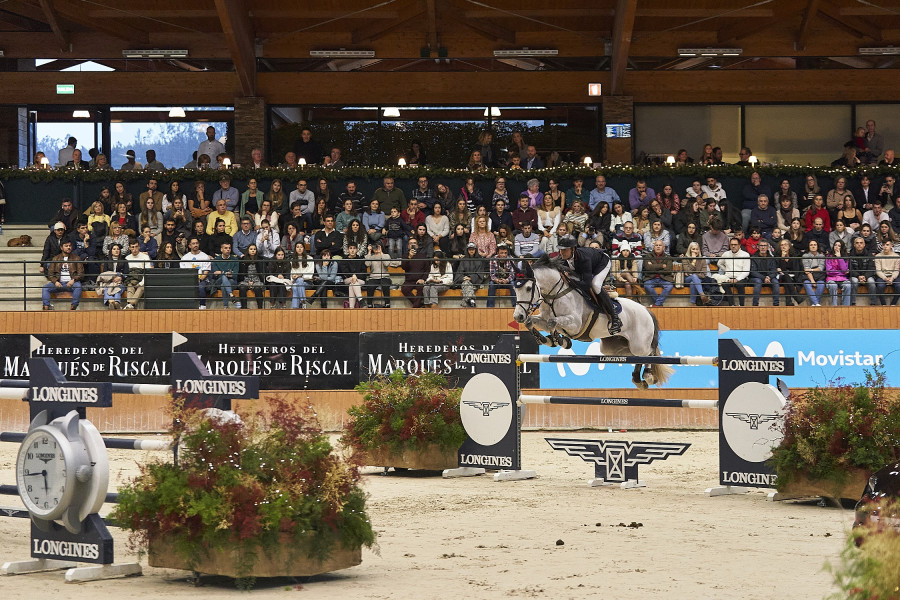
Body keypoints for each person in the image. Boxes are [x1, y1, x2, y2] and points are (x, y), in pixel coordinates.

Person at [42, 239, 83, 311]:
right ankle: (46, 307)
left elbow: (81, 273)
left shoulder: (76, 258)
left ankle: (73, 307)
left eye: (70, 246)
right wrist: (55, 282)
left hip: (71, 283)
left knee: (78, 286)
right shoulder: (56, 258)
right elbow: (50, 273)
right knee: (45, 288)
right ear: (61, 247)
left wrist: (73, 280)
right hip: (59, 283)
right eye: (66, 246)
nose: (68, 247)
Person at [713, 238, 750, 306]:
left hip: (741, 277)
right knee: (724, 284)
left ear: (739, 245)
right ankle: (731, 305)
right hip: (729, 277)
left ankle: (742, 305)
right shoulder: (726, 254)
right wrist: (726, 270)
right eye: (731, 244)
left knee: (740, 285)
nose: (733, 246)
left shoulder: (745, 255)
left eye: (735, 245)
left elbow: (746, 271)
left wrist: (737, 279)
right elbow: (719, 263)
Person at [180, 236, 212, 309]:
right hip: (188, 280)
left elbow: (206, 272)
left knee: (201, 286)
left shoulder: (205, 256)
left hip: (202, 279)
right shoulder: (184, 258)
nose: (195, 245)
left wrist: (199, 279)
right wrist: (191, 280)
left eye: (197, 243)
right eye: (193, 243)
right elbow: (183, 272)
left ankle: (202, 305)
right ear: (189, 246)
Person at [364, 242, 399, 308]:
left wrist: (381, 253)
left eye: (377, 246)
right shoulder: (370, 256)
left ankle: (387, 303)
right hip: (373, 277)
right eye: (375, 247)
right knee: (370, 286)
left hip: (384, 276)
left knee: (385, 285)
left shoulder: (386, 255)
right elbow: (367, 264)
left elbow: (386, 264)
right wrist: (369, 252)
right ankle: (369, 304)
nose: (376, 248)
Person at [641, 240, 675, 307]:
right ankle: (659, 304)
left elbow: (668, 270)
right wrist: (662, 266)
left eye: (660, 245)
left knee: (669, 286)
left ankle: (657, 304)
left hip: (664, 278)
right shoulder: (648, 256)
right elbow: (647, 268)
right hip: (651, 278)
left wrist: (653, 267)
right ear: (654, 247)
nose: (658, 247)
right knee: (647, 285)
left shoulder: (668, 257)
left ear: (663, 247)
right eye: (656, 245)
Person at [748, 239, 780, 306]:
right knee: (758, 281)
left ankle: (776, 305)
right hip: (756, 278)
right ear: (758, 247)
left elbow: (774, 271)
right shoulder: (753, 257)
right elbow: (753, 272)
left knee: (776, 282)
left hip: (769, 277)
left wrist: (769, 277)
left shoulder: (771, 258)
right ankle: (755, 305)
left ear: (768, 247)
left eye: (765, 246)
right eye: (761, 246)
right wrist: (764, 278)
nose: (763, 247)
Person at [486, 243, 517, 309]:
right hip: (497, 280)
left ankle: (515, 305)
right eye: (502, 253)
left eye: (505, 253)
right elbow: (492, 274)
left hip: (507, 281)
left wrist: (507, 280)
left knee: (513, 284)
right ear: (498, 253)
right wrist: (497, 280)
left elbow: (512, 274)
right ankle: (490, 306)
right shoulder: (493, 259)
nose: (504, 255)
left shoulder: (511, 259)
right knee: (491, 284)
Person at [848, 236, 877, 306]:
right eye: (857, 243)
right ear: (854, 245)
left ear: (864, 244)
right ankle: (853, 303)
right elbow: (850, 269)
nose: (859, 244)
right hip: (855, 276)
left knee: (872, 282)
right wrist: (858, 276)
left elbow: (872, 268)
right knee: (854, 281)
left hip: (866, 276)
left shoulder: (869, 254)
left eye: (861, 243)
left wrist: (865, 276)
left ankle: (873, 303)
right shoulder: (849, 255)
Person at [454, 242, 485, 307]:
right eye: (470, 249)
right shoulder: (463, 260)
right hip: (464, 281)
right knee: (466, 283)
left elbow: (480, 274)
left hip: (474, 282)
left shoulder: (479, 260)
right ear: (467, 250)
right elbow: (459, 273)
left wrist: (470, 278)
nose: (471, 251)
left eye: (473, 249)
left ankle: (466, 301)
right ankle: (471, 300)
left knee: (466, 284)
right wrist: (463, 278)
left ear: (475, 250)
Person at [210, 241, 239, 309]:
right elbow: (215, 274)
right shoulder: (216, 260)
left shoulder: (235, 260)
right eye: (225, 248)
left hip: (232, 281)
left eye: (229, 248)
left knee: (224, 285)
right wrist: (226, 273)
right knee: (223, 277)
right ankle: (231, 295)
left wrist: (222, 272)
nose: (228, 249)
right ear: (221, 249)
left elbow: (235, 275)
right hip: (218, 282)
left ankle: (225, 306)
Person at [400, 239, 428, 308]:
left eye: (415, 243)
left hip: (420, 280)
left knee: (421, 288)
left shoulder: (423, 256)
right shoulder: (405, 256)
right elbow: (404, 267)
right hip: (409, 281)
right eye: (411, 243)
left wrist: (423, 279)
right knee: (404, 289)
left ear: (417, 246)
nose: (413, 245)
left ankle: (415, 307)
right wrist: (409, 257)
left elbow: (427, 269)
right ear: (408, 246)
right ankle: (419, 305)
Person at [238, 243, 266, 309]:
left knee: (257, 288)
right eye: (251, 249)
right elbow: (241, 274)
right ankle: (244, 307)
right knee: (242, 288)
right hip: (246, 280)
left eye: (254, 249)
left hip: (257, 280)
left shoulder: (260, 260)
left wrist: (253, 282)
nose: (253, 251)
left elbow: (261, 274)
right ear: (248, 250)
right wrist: (248, 282)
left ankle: (260, 308)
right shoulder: (243, 260)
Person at [801, 239, 826, 306]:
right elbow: (806, 270)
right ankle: (816, 303)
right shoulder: (805, 256)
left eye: (815, 245)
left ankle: (814, 303)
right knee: (806, 283)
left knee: (821, 284)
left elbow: (821, 268)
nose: (813, 246)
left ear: (817, 246)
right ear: (808, 247)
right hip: (808, 276)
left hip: (819, 275)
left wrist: (811, 270)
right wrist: (812, 280)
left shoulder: (821, 256)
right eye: (811, 245)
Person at [874, 241, 900, 306]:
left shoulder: (896, 256)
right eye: (883, 245)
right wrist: (885, 278)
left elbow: (896, 270)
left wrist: (892, 278)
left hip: (893, 276)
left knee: (899, 286)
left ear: (891, 246)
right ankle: (883, 304)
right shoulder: (878, 256)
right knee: (880, 286)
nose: (885, 246)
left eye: (887, 245)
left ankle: (893, 304)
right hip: (882, 276)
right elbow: (878, 270)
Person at [290, 243, 314, 308]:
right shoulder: (293, 260)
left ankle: (300, 303)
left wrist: (299, 275)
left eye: (301, 247)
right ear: (295, 249)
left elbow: (310, 274)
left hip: (307, 282)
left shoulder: (310, 259)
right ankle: (302, 303)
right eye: (297, 247)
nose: (299, 248)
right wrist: (294, 276)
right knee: (295, 286)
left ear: (304, 248)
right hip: (296, 282)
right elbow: (292, 273)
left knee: (299, 281)